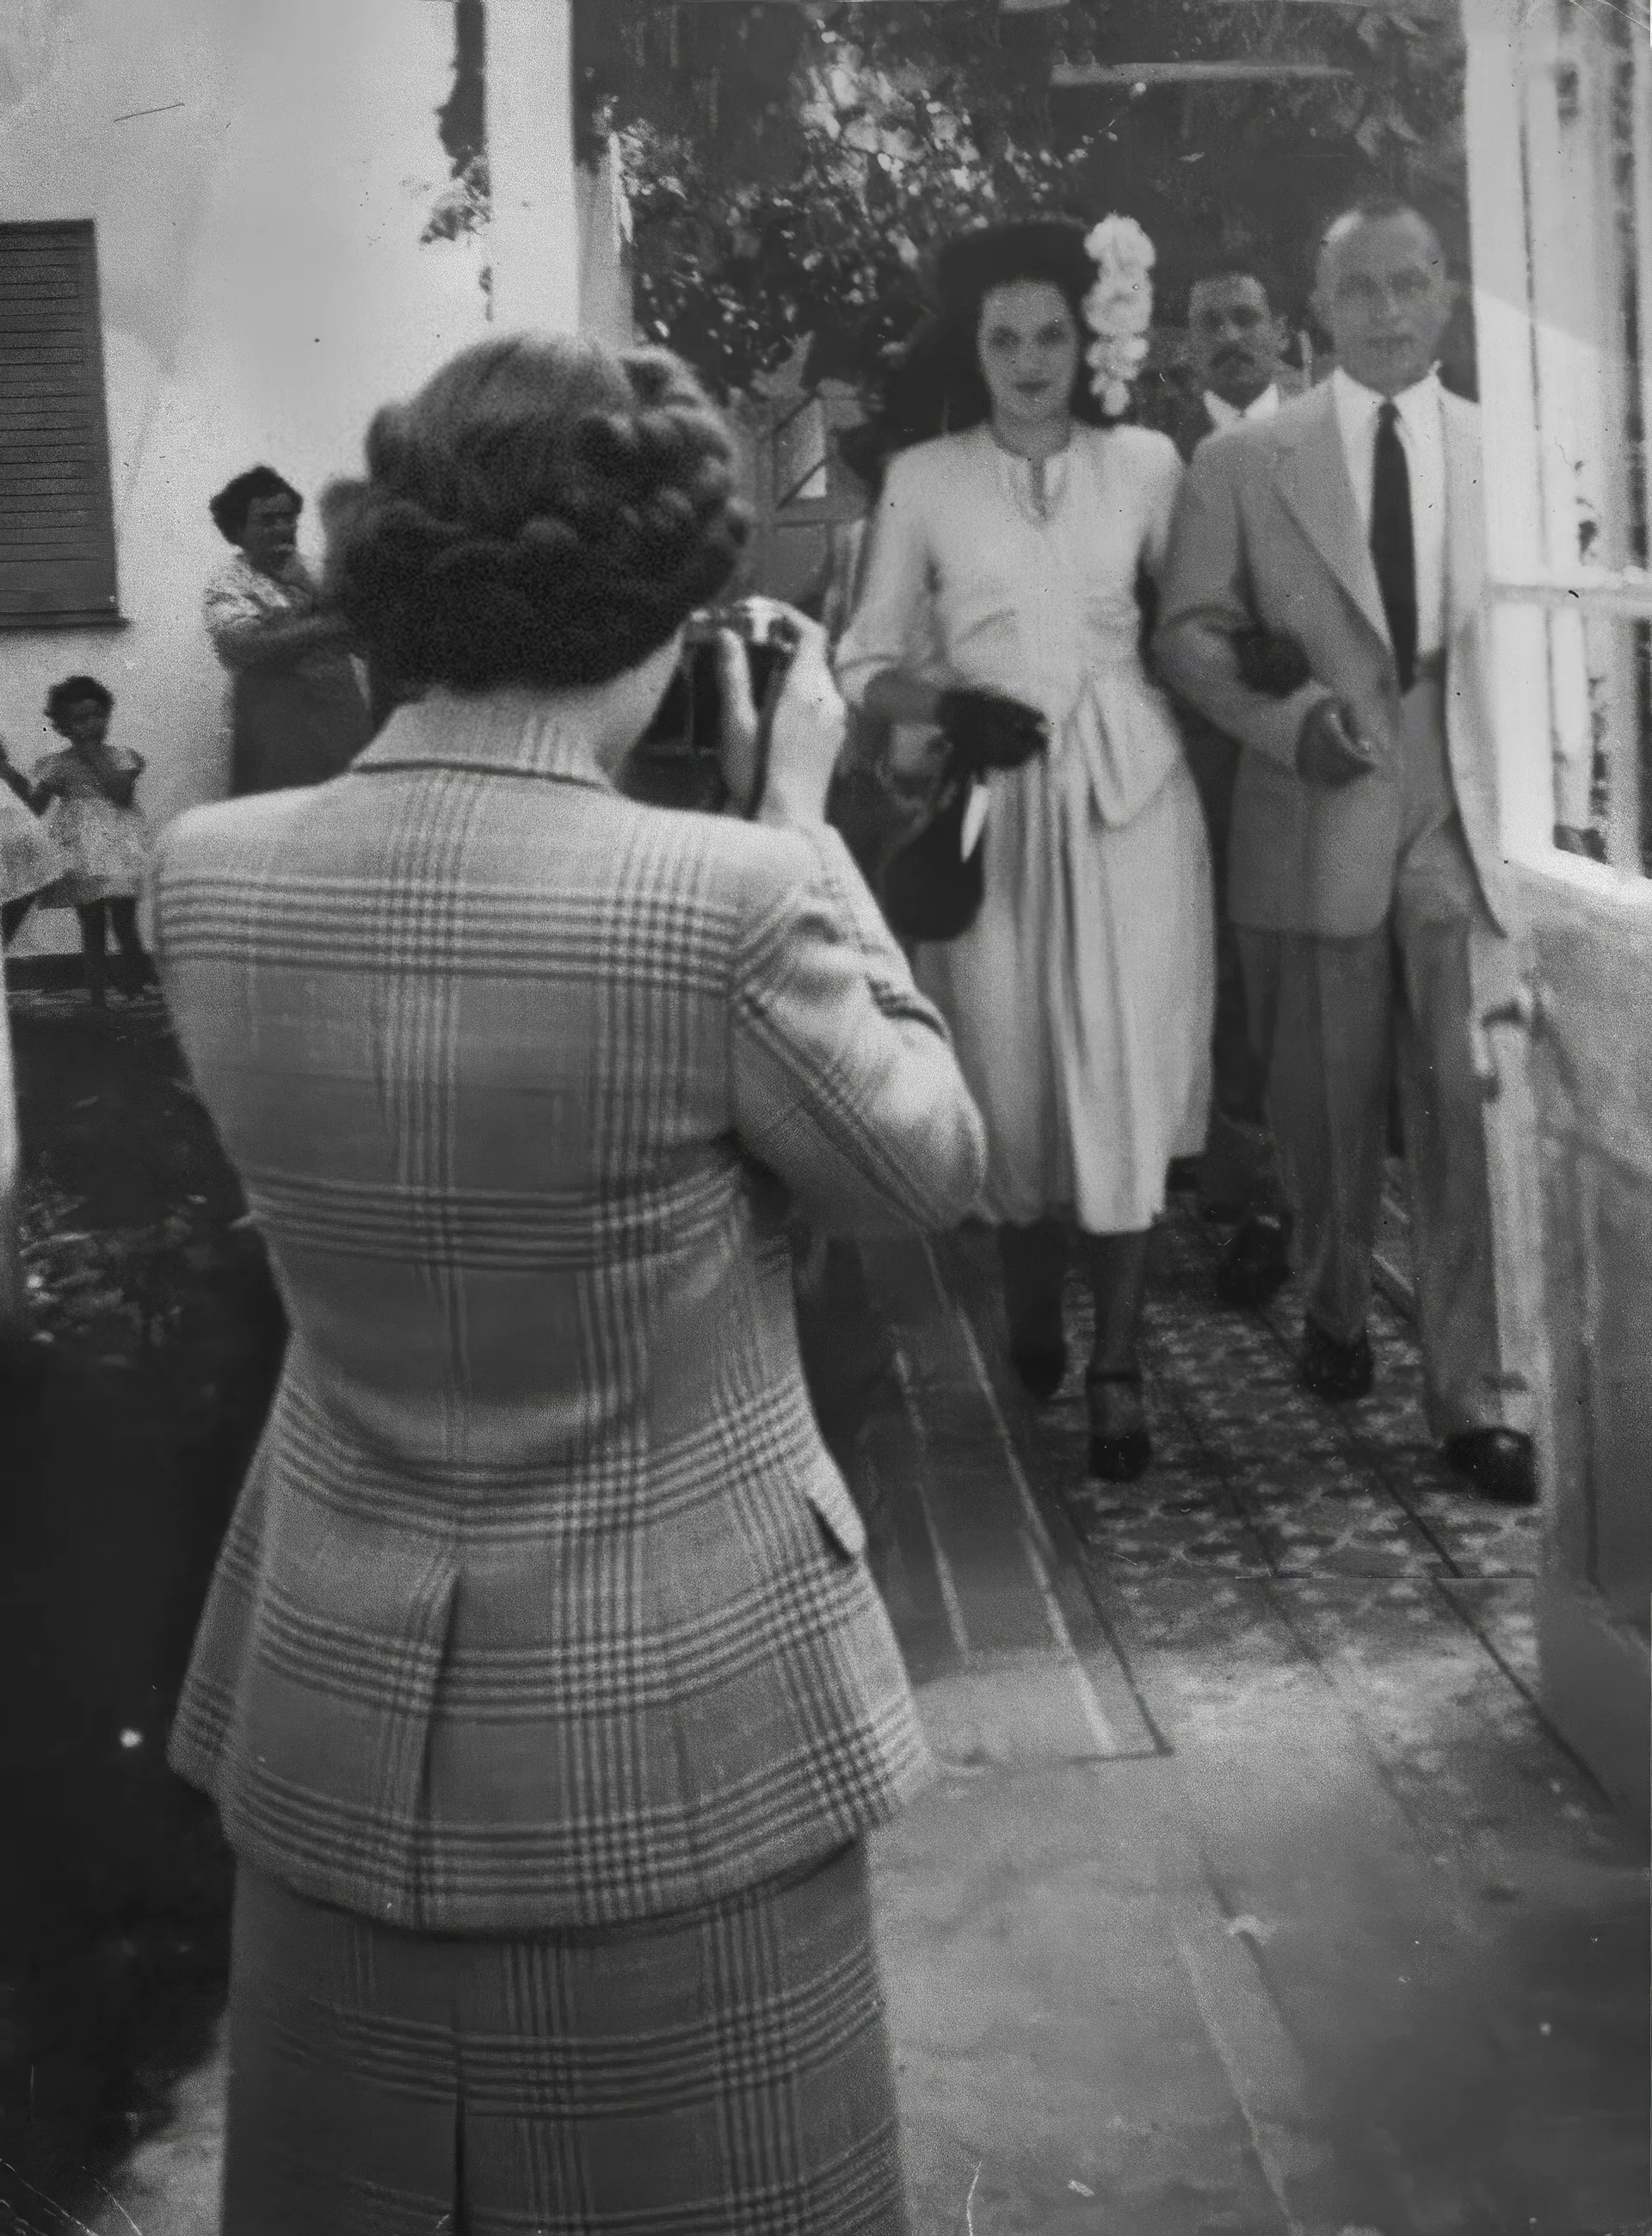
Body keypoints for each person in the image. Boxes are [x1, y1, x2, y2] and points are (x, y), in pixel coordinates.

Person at [152, 331, 987, 2233]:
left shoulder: (207, 876)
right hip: (684, 1756)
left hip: (333, 1726)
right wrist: (799, 832)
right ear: (670, 622)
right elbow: (928, 1167)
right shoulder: (722, 904)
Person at [1156, 196, 1537, 1508]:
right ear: (1320, 310)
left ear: (1447, 298)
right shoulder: (1247, 465)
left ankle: (1474, 1394)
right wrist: (1286, 720)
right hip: (1316, 804)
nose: (1387, 310)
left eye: (1411, 283)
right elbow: (1189, 634)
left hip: (1461, 812)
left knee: (1466, 1098)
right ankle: (1331, 1299)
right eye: (1361, 289)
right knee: (1324, 1103)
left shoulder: (1514, 449)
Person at [836, 217, 1214, 1482]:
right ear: (975, 347)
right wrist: (946, 709)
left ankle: (1118, 1361)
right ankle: (1031, 1302)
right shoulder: (926, 478)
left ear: (1087, 334)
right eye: (1003, 337)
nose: (1030, 359)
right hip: (993, 804)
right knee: (1009, 1068)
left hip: (1128, 803)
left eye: (1051, 332)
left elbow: (1196, 624)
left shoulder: (1150, 464)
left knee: (1119, 1072)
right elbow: (865, 662)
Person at [1149, 256, 1299, 1307]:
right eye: (1213, 321)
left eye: (1249, 316)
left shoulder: (1332, 430)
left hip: (1325, 736)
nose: (1234, 335)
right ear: (1184, 343)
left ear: (1283, 327)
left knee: (1317, 965)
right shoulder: (1161, 457)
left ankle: (1298, 1189)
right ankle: (1253, 1198)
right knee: (1233, 964)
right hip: (1204, 746)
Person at [203, 465, 373, 795]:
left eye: (288, 517)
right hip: (274, 737)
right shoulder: (228, 584)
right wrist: (327, 624)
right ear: (237, 531)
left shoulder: (321, 571)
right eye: (267, 521)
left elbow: (366, 641)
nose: (282, 528)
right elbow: (242, 646)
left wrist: (310, 588)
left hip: (340, 724)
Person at [30, 677, 156, 1005]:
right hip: (81, 854)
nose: (92, 725)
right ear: (64, 728)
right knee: (91, 922)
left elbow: (120, 794)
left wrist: (93, 754)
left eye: (98, 715)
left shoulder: (122, 758)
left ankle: (135, 986)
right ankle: (97, 993)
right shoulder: (57, 765)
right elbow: (35, 808)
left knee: (124, 920)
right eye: (80, 720)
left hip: (119, 850)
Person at [0, 739, 67, 947]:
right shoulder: (9, 775)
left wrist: (48, 783)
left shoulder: (9, 776)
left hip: (18, 856)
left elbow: (34, 807)